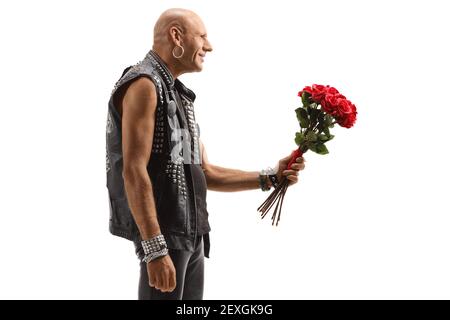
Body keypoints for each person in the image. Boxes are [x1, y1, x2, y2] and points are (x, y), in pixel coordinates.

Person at [105, 8, 306, 300]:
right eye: (202, 36)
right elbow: (134, 172)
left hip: (193, 236)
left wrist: (271, 177)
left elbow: (204, 172)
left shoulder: (178, 95)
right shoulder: (144, 85)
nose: (208, 46)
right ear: (177, 36)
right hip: (166, 239)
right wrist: (155, 249)